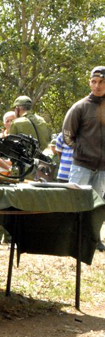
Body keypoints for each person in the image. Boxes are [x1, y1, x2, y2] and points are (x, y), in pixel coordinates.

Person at [62, 65, 105, 251]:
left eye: (102, 82)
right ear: (89, 82)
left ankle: (93, 239)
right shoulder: (80, 107)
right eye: (94, 81)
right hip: (82, 165)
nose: (97, 86)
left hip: (103, 168)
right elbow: (67, 135)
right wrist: (80, 150)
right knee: (74, 203)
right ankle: (68, 239)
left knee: (96, 206)